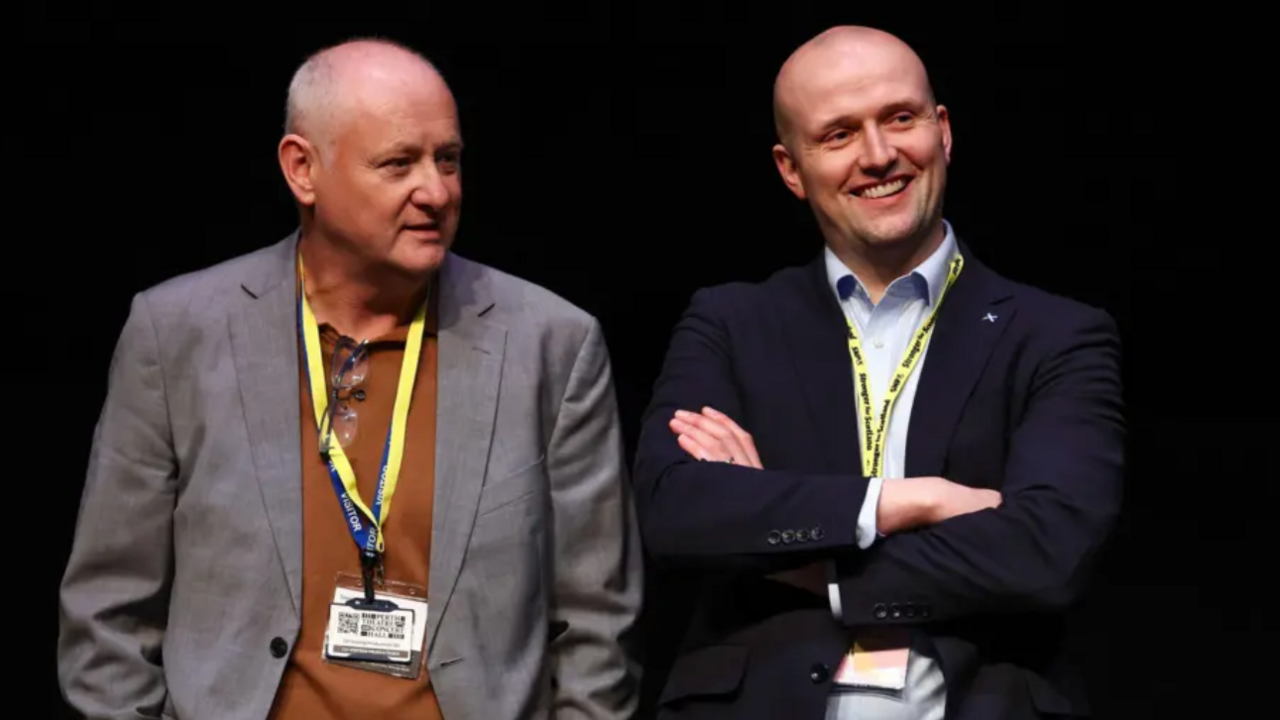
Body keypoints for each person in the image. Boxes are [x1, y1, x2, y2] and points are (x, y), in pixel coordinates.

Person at [57, 38, 642, 720]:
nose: (436, 191)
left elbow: (598, 619)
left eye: (448, 160)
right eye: (398, 164)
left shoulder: (551, 343)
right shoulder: (178, 333)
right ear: (302, 169)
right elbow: (108, 609)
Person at [632, 25, 1123, 720]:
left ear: (943, 131)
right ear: (791, 168)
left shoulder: (1056, 335)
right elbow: (676, 512)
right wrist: (905, 502)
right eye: (838, 135)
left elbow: (1049, 551)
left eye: (900, 118)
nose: (879, 155)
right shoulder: (732, 323)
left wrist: (802, 555)